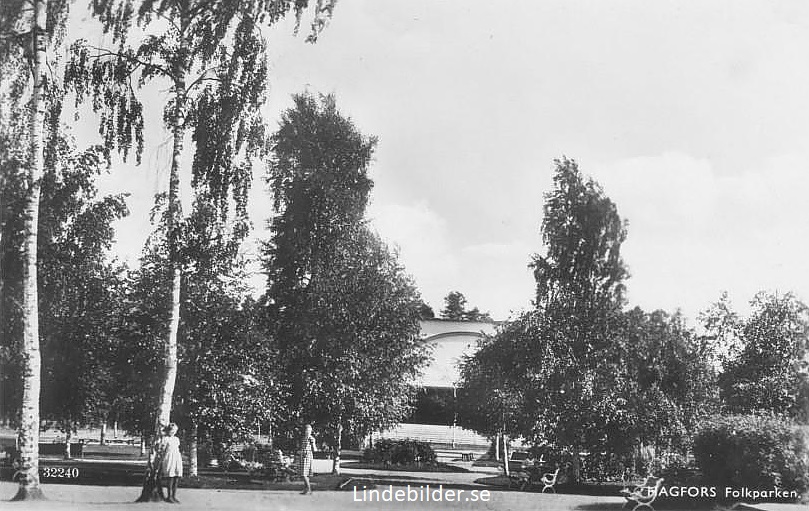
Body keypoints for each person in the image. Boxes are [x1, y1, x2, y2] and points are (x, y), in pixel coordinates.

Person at [158, 423, 183, 503]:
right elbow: (162, 450)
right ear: (168, 430)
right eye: (172, 430)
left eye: (175, 430)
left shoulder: (176, 439)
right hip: (169, 458)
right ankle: (169, 496)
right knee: (170, 477)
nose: (173, 432)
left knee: (176, 477)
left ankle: (174, 496)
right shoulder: (165, 439)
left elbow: (178, 448)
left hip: (176, 458)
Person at [298, 424, 316, 495]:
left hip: (307, 456)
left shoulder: (311, 439)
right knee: (304, 473)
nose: (308, 432)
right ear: (305, 431)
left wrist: (313, 446)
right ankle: (308, 490)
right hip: (302, 456)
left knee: (304, 474)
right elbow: (302, 447)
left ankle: (308, 488)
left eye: (309, 430)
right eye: (307, 430)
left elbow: (314, 449)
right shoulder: (304, 438)